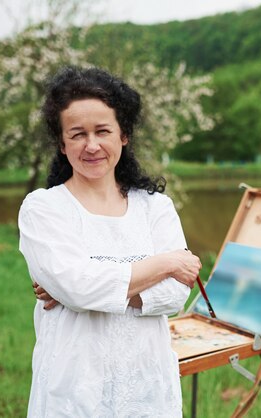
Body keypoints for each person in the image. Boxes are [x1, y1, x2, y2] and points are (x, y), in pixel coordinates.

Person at [18, 66, 202, 417]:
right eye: (77, 134)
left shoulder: (155, 207)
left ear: (124, 135)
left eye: (103, 131)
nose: (91, 146)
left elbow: (176, 295)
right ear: (61, 142)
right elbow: (78, 286)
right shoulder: (43, 208)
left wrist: (82, 292)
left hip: (147, 383)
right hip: (75, 385)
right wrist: (166, 263)